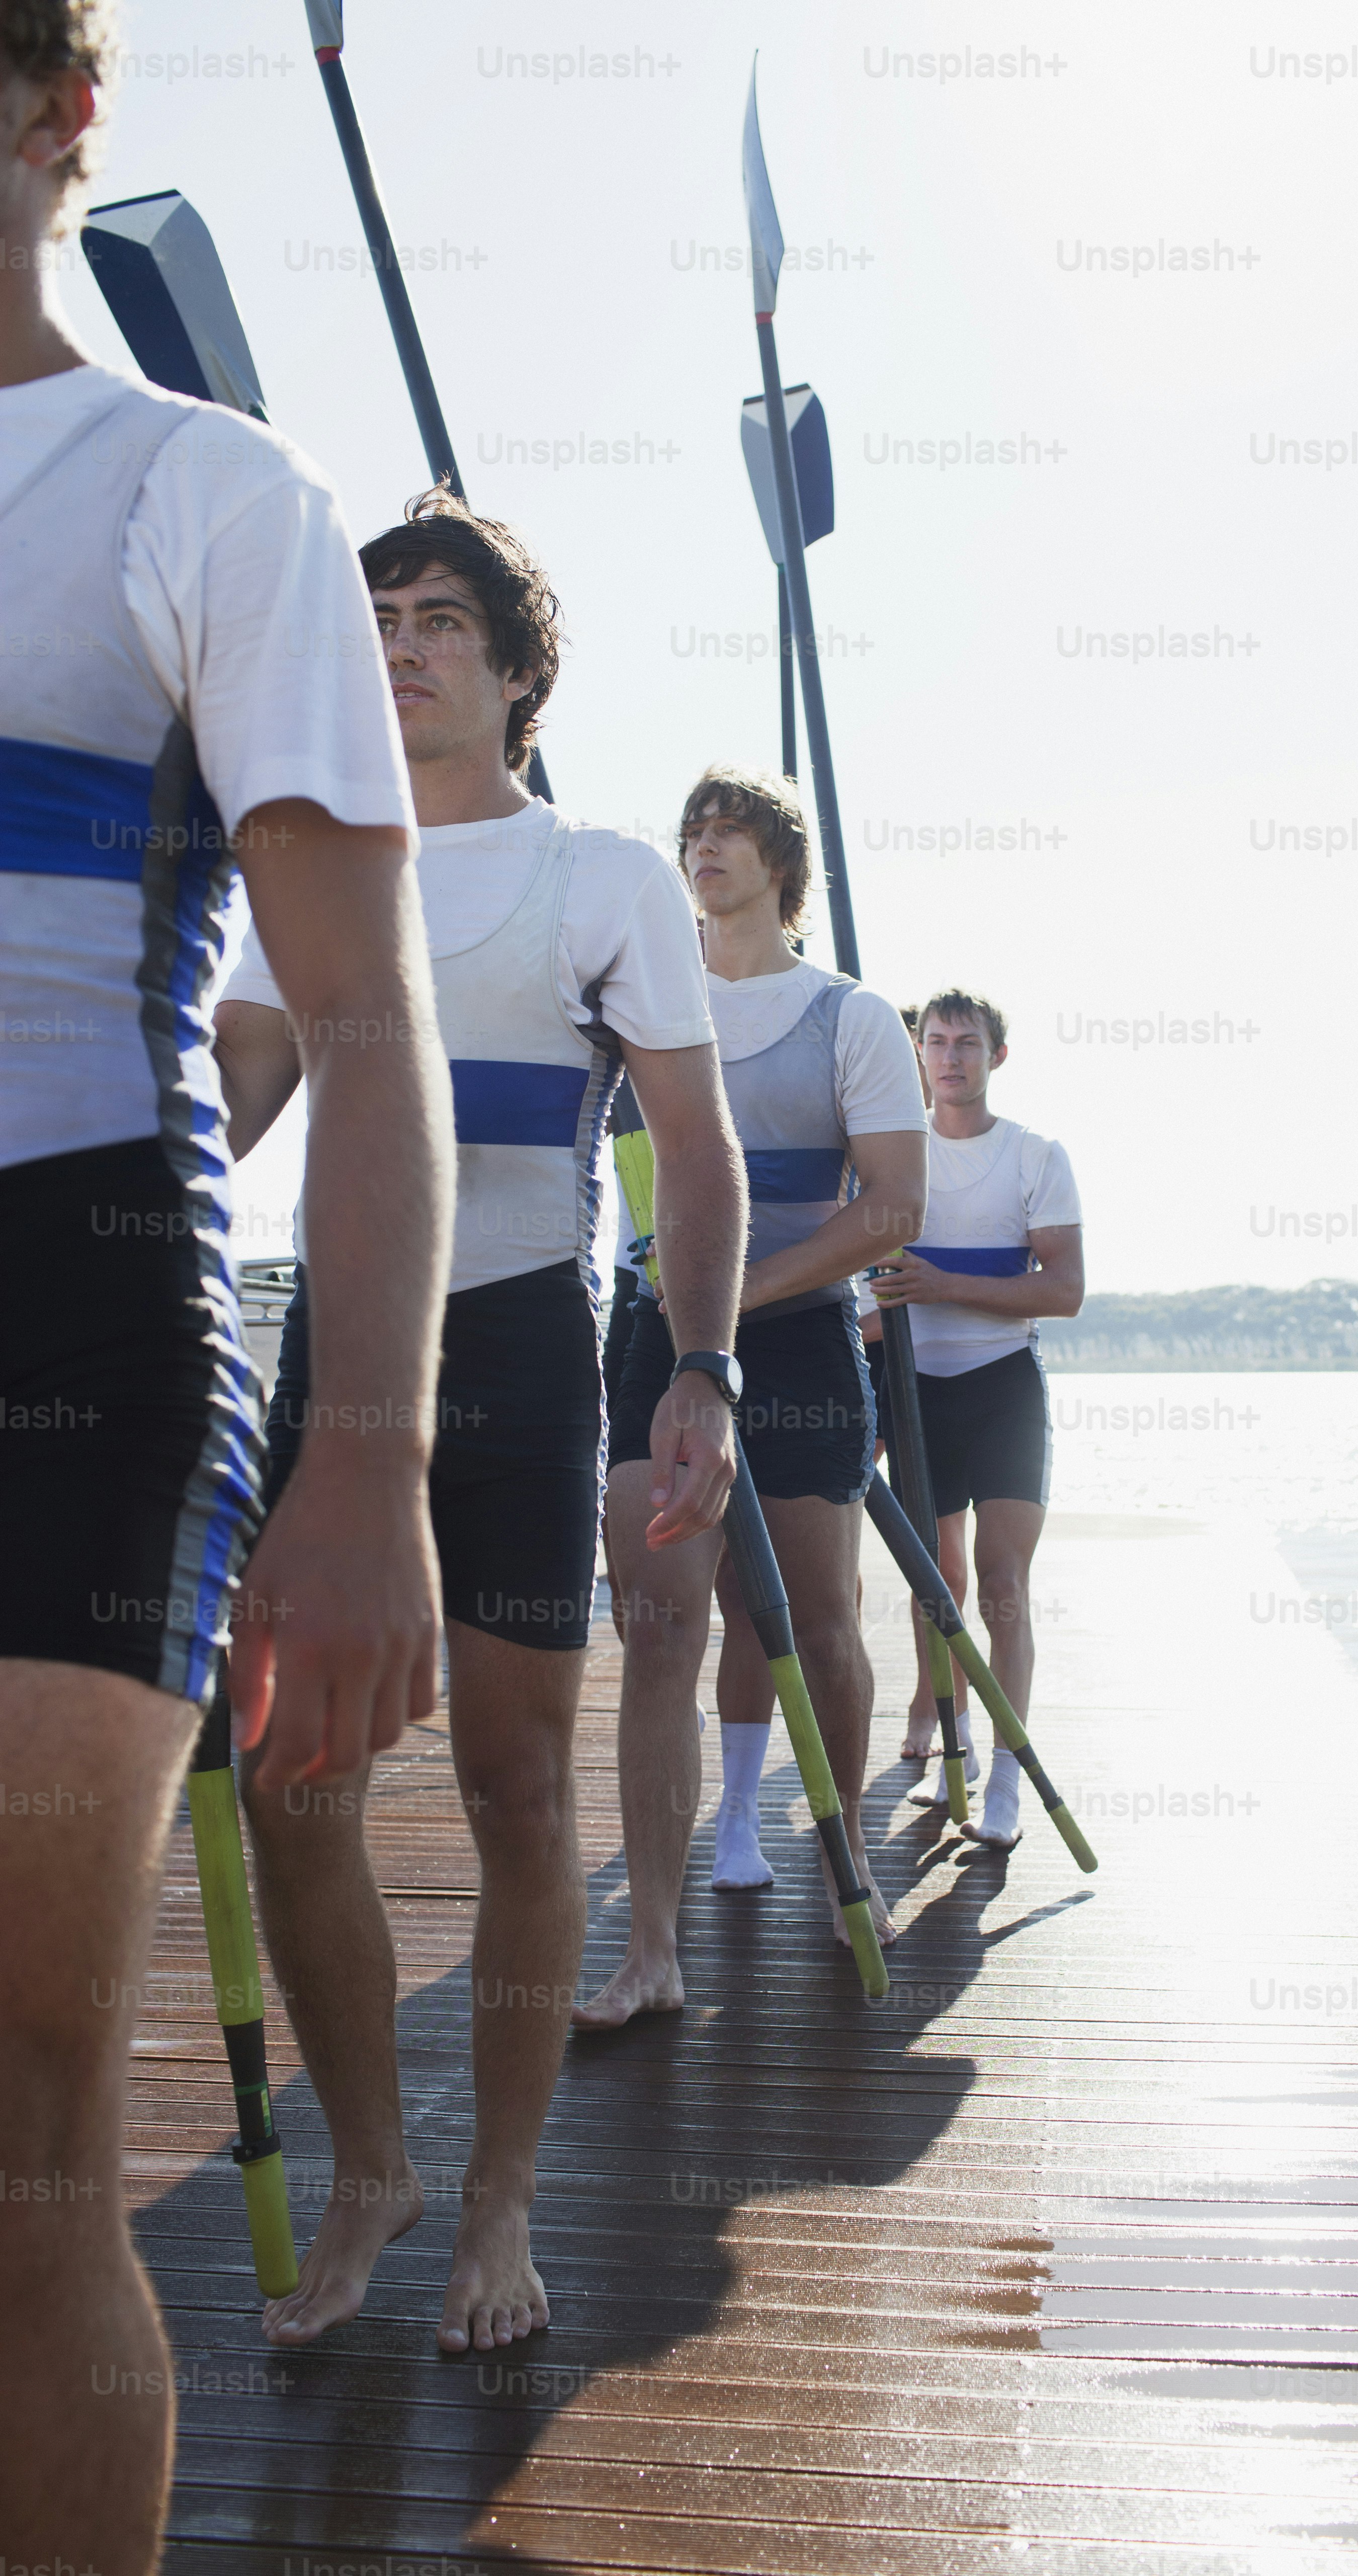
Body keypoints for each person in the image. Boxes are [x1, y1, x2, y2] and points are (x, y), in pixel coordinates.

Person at [0, 12, 455, 2572]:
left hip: (70, 1311)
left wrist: (368, 1465)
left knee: (25, 2098)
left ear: (63, 116)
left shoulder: (204, 489)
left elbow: (363, 1016)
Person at [213, 494, 745, 2353]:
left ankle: (500, 2200)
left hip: (528, 1357)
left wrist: (699, 1370)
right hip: (335, 1366)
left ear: (518, 676)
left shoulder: (602, 880)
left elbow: (692, 1153)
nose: (403, 645)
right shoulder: (301, 865)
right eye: (373, 619)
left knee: (518, 1790)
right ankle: (377, 2165)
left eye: (442, 619)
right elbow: (227, 1114)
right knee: (297, 1791)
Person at [577, 766, 925, 2023]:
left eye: (728, 831)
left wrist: (735, 1296)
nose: (703, 849)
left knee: (823, 1625)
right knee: (660, 1629)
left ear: (782, 862)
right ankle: (653, 1948)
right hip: (650, 1339)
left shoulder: (853, 1017)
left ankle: (848, 1874)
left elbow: (892, 1209)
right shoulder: (627, 1010)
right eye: (691, 834)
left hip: (797, 1348)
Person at [870, 989, 1083, 1847]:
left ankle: (1003, 1775)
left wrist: (941, 1285)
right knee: (936, 1582)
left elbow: (1062, 1292)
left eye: (967, 1043)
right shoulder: (888, 1158)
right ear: (916, 1055)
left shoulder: (1034, 1156)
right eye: (935, 1042)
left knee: (1000, 1586)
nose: (950, 1057)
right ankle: (942, 1717)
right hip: (912, 1385)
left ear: (997, 1056)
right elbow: (869, 1295)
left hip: (1002, 1388)